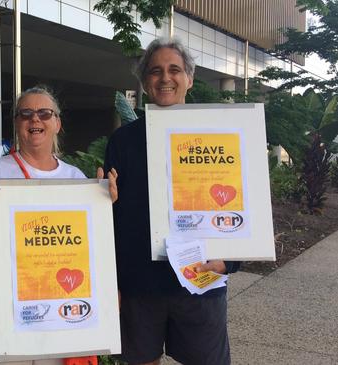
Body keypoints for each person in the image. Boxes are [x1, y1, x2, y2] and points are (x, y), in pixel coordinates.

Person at [0, 86, 117, 365]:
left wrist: (105, 206)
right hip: (6, 324)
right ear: (16, 124)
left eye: (44, 113)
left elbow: (92, 255)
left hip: (61, 322)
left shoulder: (77, 179)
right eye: (25, 114)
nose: (35, 120)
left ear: (57, 123)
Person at [103, 38, 240, 365]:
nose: (165, 78)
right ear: (145, 82)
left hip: (201, 280)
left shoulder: (218, 135)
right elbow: (111, 218)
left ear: (189, 79)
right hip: (139, 286)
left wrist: (230, 261)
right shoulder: (122, 141)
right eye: (155, 71)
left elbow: (244, 205)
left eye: (174, 69)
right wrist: (103, 199)